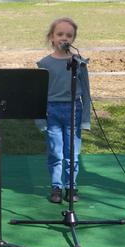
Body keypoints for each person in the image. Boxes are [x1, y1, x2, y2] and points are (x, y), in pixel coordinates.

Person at [37, 17, 91, 204]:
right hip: (52, 111)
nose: (64, 38)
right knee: (55, 151)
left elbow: (86, 92)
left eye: (69, 35)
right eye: (60, 34)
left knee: (72, 152)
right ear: (51, 37)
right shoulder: (44, 64)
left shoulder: (79, 63)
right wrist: (40, 120)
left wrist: (85, 118)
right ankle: (56, 186)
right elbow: (39, 95)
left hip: (73, 110)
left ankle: (71, 185)